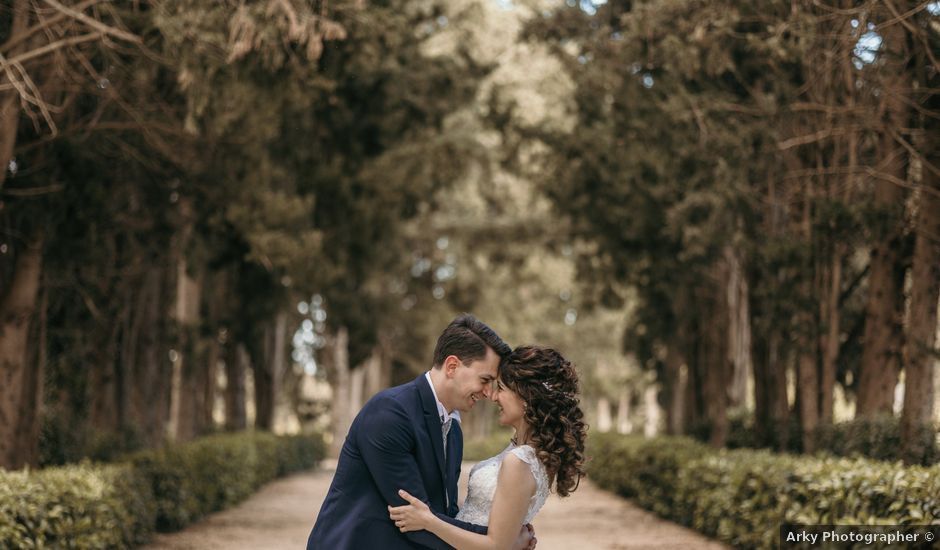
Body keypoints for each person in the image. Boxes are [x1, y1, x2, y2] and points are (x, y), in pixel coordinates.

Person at [307, 314, 537, 550]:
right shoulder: (390, 414)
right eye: (485, 379)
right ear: (452, 366)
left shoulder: (454, 431)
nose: (489, 393)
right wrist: (504, 542)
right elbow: (415, 522)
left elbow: (438, 514)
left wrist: (501, 538)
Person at [389, 345, 588, 550]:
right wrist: (515, 539)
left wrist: (428, 521)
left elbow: (495, 546)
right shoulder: (533, 453)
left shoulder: (519, 461)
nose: (493, 397)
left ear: (527, 397)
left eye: (500, 388)